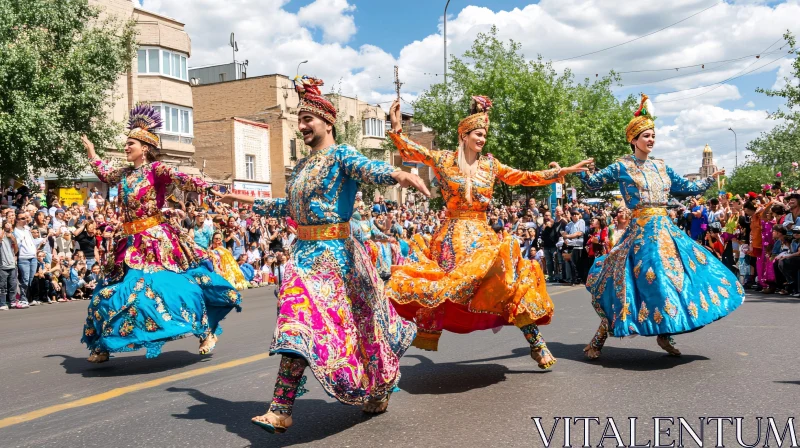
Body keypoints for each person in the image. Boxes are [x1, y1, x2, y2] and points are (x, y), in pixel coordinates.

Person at [214, 76, 425, 433]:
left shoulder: (342, 154)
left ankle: (377, 387)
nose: (301, 126)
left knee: (365, 330)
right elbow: (288, 205)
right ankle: (281, 409)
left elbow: (368, 169)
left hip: (339, 257)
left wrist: (397, 174)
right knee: (298, 320)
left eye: (307, 119)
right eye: (298, 120)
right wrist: (246, 201)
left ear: (327, 121)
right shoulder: (300, 168)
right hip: (305, 256)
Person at [385, 96, 591, 368]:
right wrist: (397, 128)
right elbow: (412, 152)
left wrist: (559, 173)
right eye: (478, 134)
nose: (482, 139)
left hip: (483, 234)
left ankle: (536, 343)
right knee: (443, 291)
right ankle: (389, 354)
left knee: (509, 283)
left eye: (484, 135)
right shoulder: (444, 160)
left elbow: (524, 176)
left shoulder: (491, 165)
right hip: (452, 237)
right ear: (464, 135)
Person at [578, 94, 743, 359]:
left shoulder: (662, 166)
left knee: (682, 277)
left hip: (666, 230)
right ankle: (599, 338)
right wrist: (580, 170)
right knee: (629, 283)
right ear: (633, 140)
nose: (651, 140)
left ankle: (666, 333)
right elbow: (593, 184)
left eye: (653, 135)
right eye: (646, 135)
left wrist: (710, 179)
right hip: (641, 233)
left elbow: (687, 188)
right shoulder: (622, 165)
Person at [79, 104, 241, 363]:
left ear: (144, 148)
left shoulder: (157, 170)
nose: (125, 147)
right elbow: (105, 173)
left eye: (130, 143)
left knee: (167, 289)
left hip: (156, 241)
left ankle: (205, 330)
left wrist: (210, 188)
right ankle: (103, 343)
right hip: (128, 242)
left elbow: (182, 178)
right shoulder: (124, 174)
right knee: (110, 290)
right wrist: (91, 152)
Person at [0, 221, 18, 310]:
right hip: (2, 265)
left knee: (13, 285)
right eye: (7, 225)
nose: (9, 227)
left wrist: (13, 238)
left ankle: (13, 302)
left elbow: (16, 249)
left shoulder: (11, 236)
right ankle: (2, 303)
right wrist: (3, 229)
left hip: (12, 264)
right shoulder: (2, 235)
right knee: (2, 286)